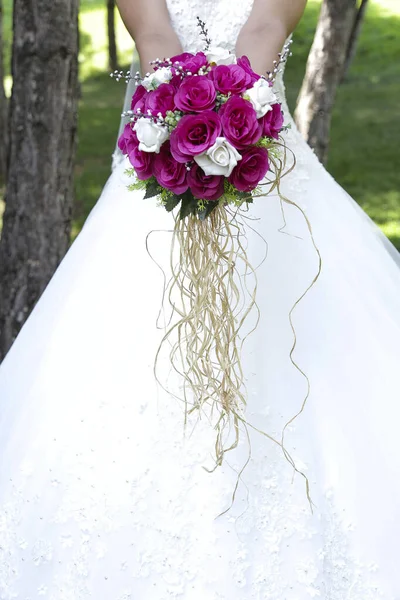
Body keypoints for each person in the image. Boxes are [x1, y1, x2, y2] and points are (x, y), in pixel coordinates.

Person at [0, 0, 399, 597]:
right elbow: (153, 31)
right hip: (162, 154)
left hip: (266, 163)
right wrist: (177, 139)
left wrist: (228, 125)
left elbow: (267, 26)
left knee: (291, 348)